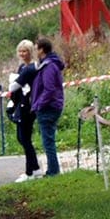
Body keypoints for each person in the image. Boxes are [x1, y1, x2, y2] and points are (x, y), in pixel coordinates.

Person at [7, 39, 42, 182]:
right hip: (21, 104)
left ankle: (31, 171)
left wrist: (14, 83)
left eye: (25, 51)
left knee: (25, 138)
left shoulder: (32, 68)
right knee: (22, 138)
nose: (22, 54)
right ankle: (34, 168)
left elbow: (15, 85)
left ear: (30, 52)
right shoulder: (22, 67)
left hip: (28, 106)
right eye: (20, 51)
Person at [30, 37, 65, 177]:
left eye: (35, 48)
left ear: (41, 50)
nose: (34, 51)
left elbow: (49, 89)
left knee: (48, 141)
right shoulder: (48, 64)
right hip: (50, 106)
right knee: (48, 140)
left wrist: (39, 104)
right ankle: (52, 169)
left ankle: (53, 171)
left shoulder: (48, 66)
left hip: (48, 107)